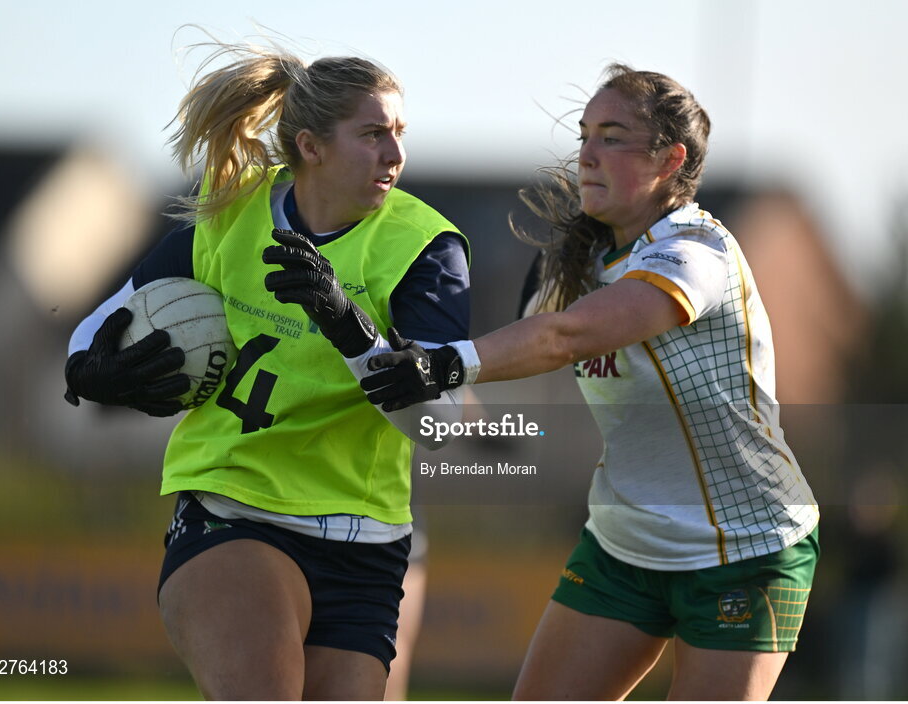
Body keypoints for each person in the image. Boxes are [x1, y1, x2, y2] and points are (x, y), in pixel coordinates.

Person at [281, 63, 820, 700]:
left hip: (746, 547)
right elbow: (517, 354)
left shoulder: (697, 251)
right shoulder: (582, 261)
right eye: (585, 135)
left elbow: (566, 337)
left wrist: (444, 362)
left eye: (612, 137)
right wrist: (397, 361)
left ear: (671, 161)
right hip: (623, 544)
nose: (587, 154)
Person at [62, 40, 471, 700]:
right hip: (234, 511)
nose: (394, 154)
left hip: (368, 543)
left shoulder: (427, 248)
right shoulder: (232, 212)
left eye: (399, 133)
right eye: (372, 135)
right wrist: (87, 370)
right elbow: (98, 321)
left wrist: (352, 331)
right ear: (311, 146)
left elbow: (440, 429)